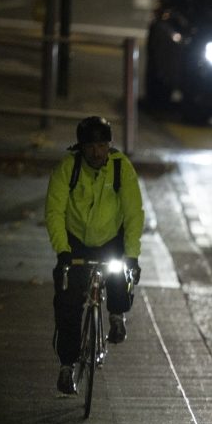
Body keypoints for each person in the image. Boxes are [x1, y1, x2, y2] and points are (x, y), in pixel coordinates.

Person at [46, 116, 144, 394]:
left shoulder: (120, 168)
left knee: (120, 276)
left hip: (110, 238)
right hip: (76, 242)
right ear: (81, 147)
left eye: (102, 145)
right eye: (90, 147)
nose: (97, 152)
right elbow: (54, 211)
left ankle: (116, 316)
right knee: (67, 300)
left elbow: (133, 212)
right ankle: (67, 366)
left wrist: (132, 256)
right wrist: (62, 250)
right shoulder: (68, 168)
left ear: (109, 145)